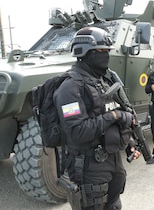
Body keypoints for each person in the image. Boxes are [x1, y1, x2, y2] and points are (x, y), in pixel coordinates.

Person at [53, 27, 141, 210]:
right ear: (86, 53)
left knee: (114, 205)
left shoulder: (102, 81)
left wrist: (129, 141)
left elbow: (109, 114)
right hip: (89, 166)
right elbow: (77, 132)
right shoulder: (70, 88)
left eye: (107, 51)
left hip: (112, 160)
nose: (107, 56)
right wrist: (115, 115)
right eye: (102, 51)